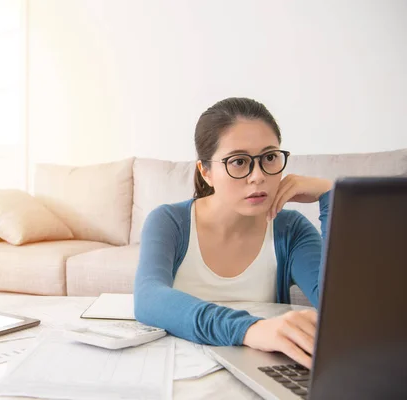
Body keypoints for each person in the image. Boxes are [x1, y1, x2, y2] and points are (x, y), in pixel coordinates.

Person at [134, 97, 332, 369]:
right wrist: (250, 330)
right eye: (239, 162)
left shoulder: (291, 230)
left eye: (270, 158)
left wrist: (331, 195)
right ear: (206, 172)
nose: (258, 176)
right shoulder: (170, 221)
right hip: (175, 367)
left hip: (257, 370)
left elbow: (341, 309)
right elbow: (149, 298)